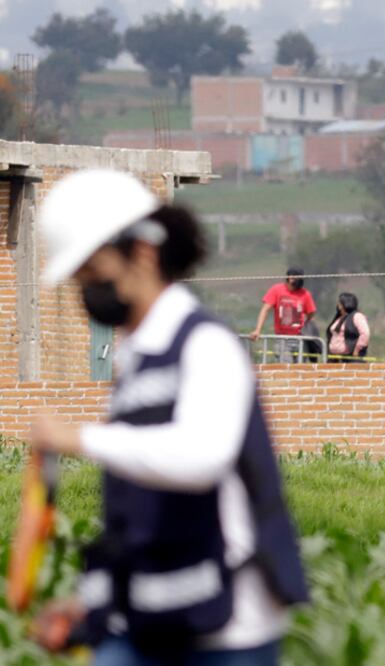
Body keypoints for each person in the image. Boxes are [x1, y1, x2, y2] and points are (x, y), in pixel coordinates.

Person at [29, 169, 309, 664]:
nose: (86, 292)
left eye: (92, 272)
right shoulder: (134, 361)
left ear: (142, 252)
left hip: (227, 629)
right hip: (151, 618)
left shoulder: (206, 345)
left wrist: (80, 438)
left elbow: (202, 456)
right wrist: (95, 605)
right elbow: (142, 504)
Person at [249, 267, 317, 362]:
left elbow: (311, 312)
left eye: (300, 278)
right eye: (295, 278)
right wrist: (258, 330)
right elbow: (265, 310)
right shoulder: (276, 290)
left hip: (300, 338)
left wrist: (306, 321)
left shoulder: (305, 294)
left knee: (300, 368)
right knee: (286, 366)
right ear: (289, 278)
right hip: (282, 338)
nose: (298, 281)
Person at [326, 292, 371, 362]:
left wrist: (357, 350)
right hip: (335, 358)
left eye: (340, 302)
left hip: (350, 358)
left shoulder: (357, 316)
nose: (338, 304)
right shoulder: (339, 317)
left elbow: (365, 333)